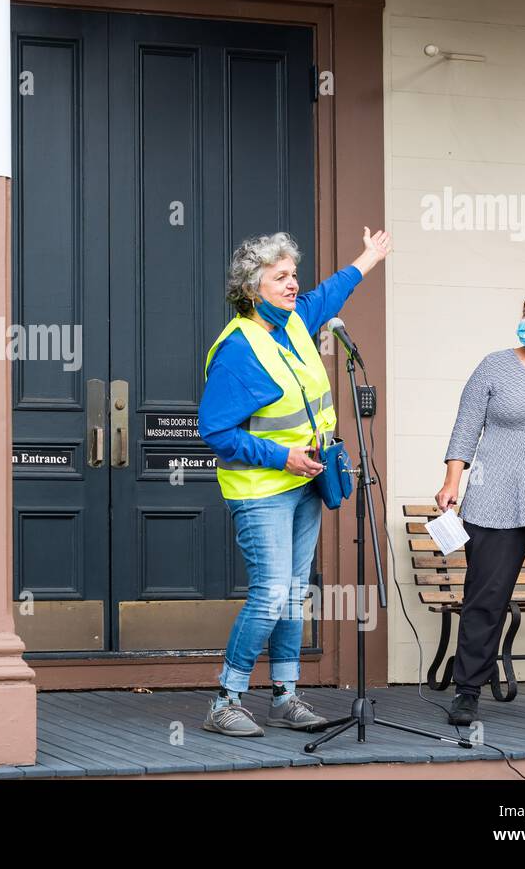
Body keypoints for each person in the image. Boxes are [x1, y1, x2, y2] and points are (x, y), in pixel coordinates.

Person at [197, 227, 391, 736]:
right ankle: (225, 701)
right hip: (262, 491)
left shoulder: (297, 322)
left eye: (293, 275)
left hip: (307, 483)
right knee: (271, 591)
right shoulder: (239, 348)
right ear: (250, 288)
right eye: (280, 277)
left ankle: (284, 695)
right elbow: (214, 430)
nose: (292, 284)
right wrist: (282, 457)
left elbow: (329, 292)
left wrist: (368, 256)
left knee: (292, 594)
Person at [435, 284, 525, 726]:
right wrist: (450, 483)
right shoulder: (494, 366)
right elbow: (466, 427)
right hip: (497, 498)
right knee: (485, 597)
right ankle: (467, 690)